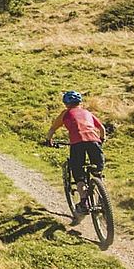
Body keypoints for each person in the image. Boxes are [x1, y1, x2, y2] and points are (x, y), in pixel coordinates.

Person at [46, 91, 106, 225]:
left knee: (79, 175)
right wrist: (101, 140)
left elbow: (52, 129)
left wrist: (48, 140)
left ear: (66, 104)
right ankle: (103, 196)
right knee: (98, 170)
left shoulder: (65, 114)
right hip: (94, 142)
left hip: (77, 144)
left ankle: (84, 202)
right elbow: (101, 128)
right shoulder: (88, 113)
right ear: (80, 102)